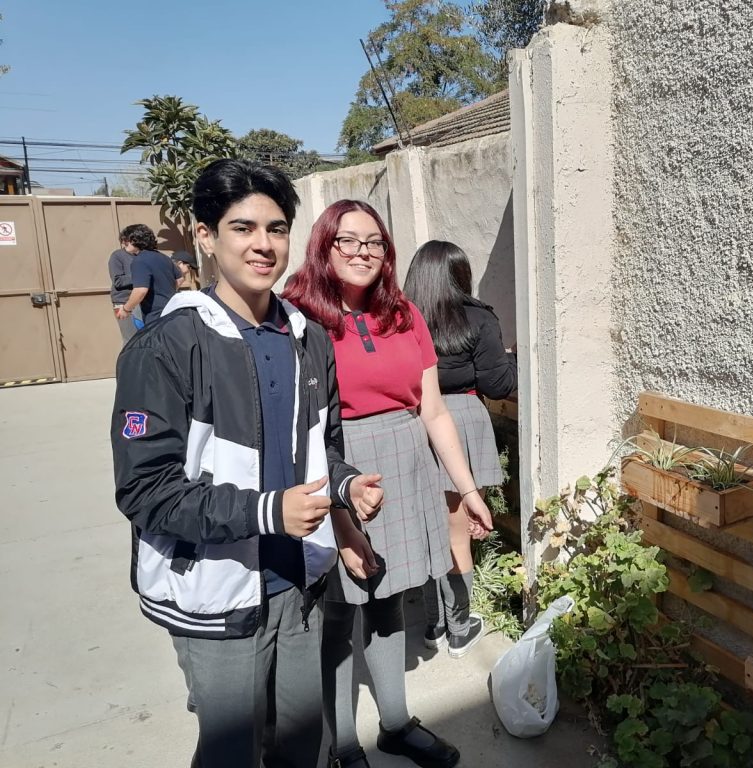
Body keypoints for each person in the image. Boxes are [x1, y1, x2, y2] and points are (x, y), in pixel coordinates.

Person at [111, 159, 384, 768]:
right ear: (204, 237)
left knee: (301, 744)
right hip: (215, 589)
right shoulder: (167, 346)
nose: (264, 244)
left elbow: (323, 444)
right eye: (242, 227)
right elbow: (145, 490)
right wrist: (267, 510)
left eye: (278, 228)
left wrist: (344, 489)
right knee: (232, 751)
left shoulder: (308, 336)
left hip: (298, 582)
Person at [283, 201, 493, 768]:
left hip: (405, 461)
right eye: (346, 241)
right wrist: (340, 512)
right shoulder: (298, 317)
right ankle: (342, 747)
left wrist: (467, 489)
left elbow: (435, 413)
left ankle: (396, 724)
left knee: (388, 598)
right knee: (335, 610)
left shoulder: (404, 315)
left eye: (373, 242)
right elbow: (298, 426)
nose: (361, 253)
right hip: (334, 462)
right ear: (323, 246)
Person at [404, 240, 517, 657]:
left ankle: (433, 623)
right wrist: (513, 361)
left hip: (415, 421)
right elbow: (497, 384)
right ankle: (459, 625)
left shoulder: (400, 318)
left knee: (430, 526)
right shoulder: (477, 316)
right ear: (460, 275)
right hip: (462, 420)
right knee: (459, 532)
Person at [115, 224, 179, 326]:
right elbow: (179, 279)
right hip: (173, 310)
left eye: (126, 239)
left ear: (136, 239)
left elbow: (140, 290)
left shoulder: (139, 261)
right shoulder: (164, 257)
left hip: (155, 316)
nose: (123, 242)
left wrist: (126, 309)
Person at [109, 227, 141, 343]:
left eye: (126, 240)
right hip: (123, 302)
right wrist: (141, 275)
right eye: (123, 241)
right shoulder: (117, 256)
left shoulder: (144, 255)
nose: (124, 243)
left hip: (143, 301)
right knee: (131, 340)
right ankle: (128, 361)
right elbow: (118, 281)